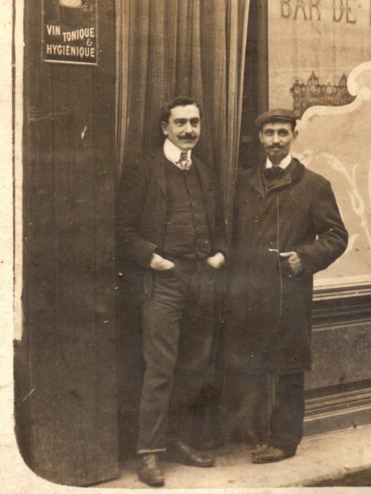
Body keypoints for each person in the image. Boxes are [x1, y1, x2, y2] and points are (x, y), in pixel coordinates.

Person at [225, 108, 348, 463]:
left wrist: (305, 258)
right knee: (249, 362)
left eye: (282, 133)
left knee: (289, 366)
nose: (275, 141)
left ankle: (284, 441)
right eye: (269, 134)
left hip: (288, 290)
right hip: (247, 290)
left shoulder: (313, 184)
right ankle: (249, 433)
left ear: (295, 135)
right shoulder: (244, 182)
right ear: (260, 138)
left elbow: (337, 236)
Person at [116, 96, 227, 487]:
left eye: (195, 122)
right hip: (162, 282)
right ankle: (148, 453)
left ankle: (178, 441)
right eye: (180, 123)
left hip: (202, 280)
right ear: (165, 127)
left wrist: (219, 255)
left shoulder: (205, 172)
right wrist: (155, 260)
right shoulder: (143, 170)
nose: (188, 130)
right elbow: (123, 230)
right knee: (160, 369)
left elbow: (220, 225)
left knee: (194, 365)